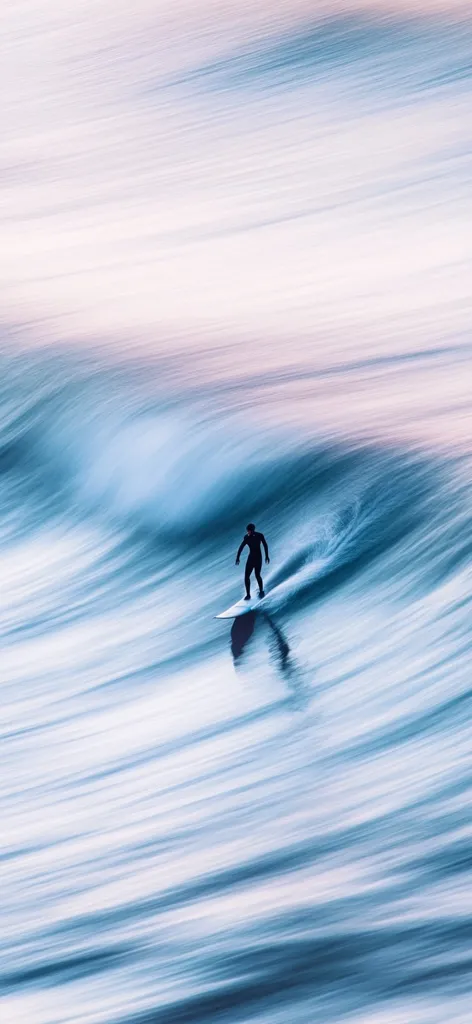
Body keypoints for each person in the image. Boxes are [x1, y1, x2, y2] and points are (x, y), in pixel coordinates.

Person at [235, 523, 270, 600]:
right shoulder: (246, 537)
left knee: (257, 575)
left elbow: (265, 545)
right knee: (246, 576)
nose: (248, 532)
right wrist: (238, 557)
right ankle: (248, 595)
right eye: (248, 531)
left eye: (249, 531)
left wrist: (267, 556)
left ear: (253, 530)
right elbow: (241, 547)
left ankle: (261, 591)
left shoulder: (259, 535)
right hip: (251, 559)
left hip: (258, 558)